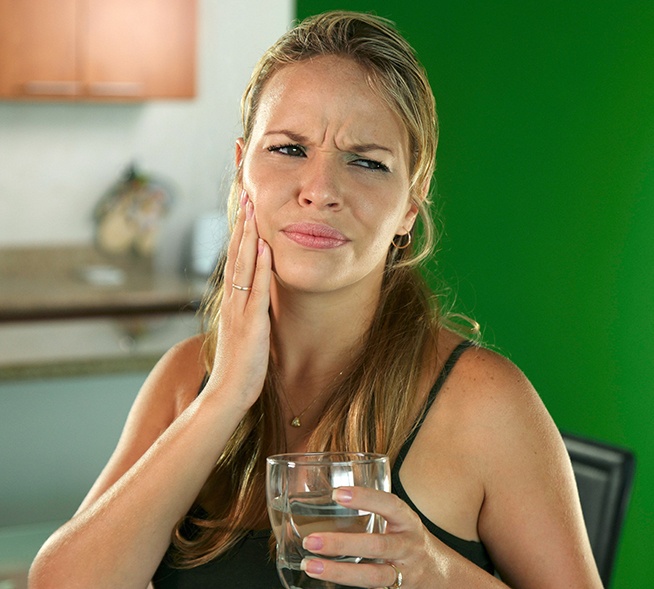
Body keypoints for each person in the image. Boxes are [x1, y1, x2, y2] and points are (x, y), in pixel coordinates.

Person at [29, 11, 603, 589]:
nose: (321, 190)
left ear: (410, 202)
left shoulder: (485, 404)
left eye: (367, 161)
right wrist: (225, 397)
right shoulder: (187, 380)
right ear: (241, 170)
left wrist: (436, 572)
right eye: (287, 149)